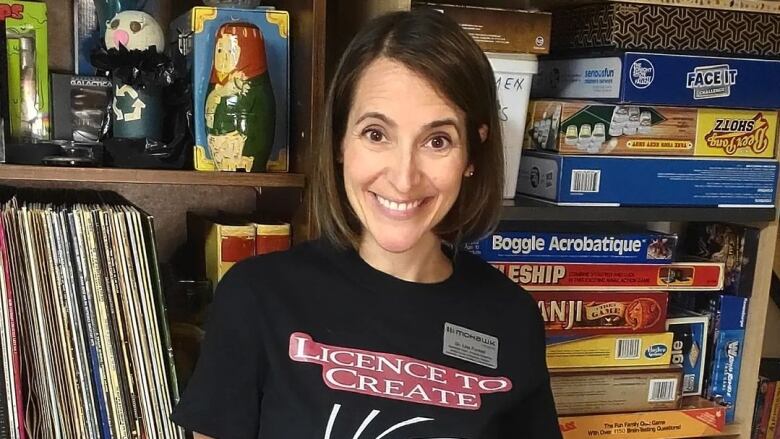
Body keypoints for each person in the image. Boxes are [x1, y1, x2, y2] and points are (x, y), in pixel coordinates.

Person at [171, 8, 562, 439]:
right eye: (376, 134)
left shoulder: (512, 318)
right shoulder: (256, 298)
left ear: (472, 153)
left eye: (437, 141)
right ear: (340, 140)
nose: (403, 177)